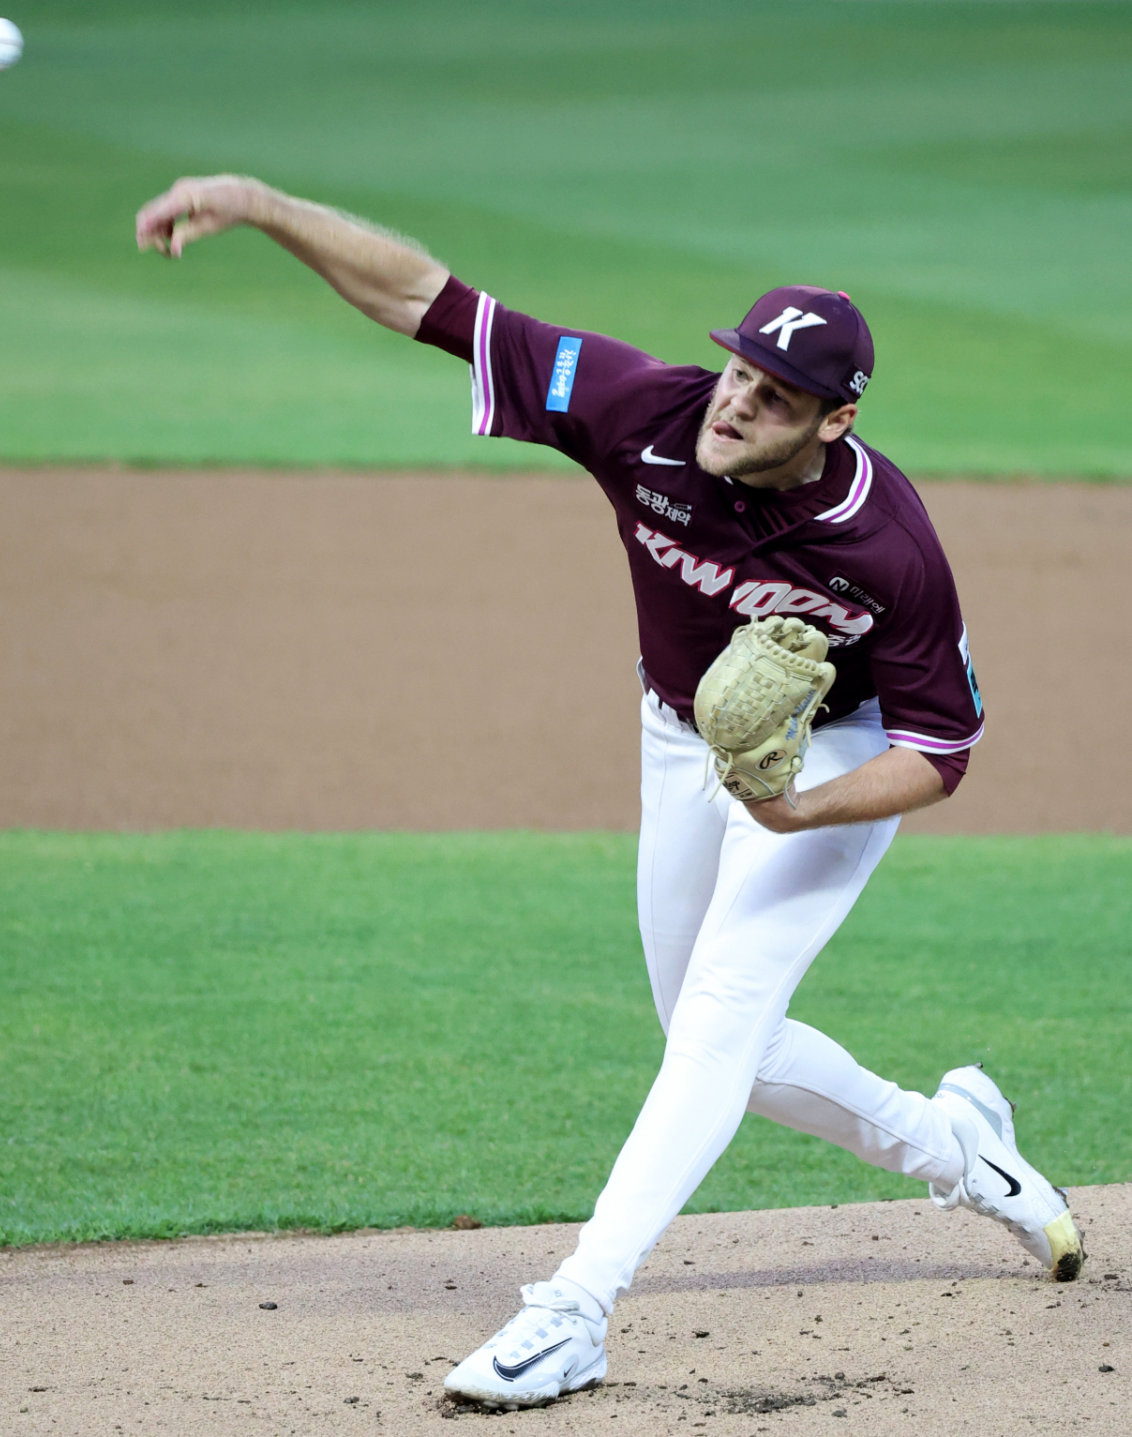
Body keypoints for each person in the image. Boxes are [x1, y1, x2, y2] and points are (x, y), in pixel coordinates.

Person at [137, 177, 1085, 1409]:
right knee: (715, 1038)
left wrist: (798, 809)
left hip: (832, 752)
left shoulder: (886, 545)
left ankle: (574, 1308)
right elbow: (433, 302)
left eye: (776, 395)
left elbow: (941, 749)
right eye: (739, 370)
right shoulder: (643, 409)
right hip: (678, 737)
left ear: (836, 419)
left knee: (724, 1012)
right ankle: (961, 1147)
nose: (738, 401)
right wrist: (259, 203)